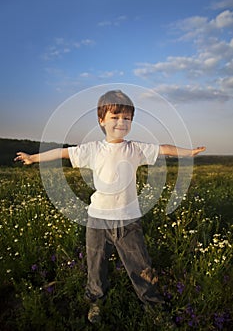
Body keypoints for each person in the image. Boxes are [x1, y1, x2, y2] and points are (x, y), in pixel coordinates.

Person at [15, 90, 206, 326]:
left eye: (126, 118)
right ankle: (95, 301)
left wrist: (189, 152)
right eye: (115, 117)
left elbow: (164, 149)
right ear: (101, 120)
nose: (121, 122)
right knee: (96, 264)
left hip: (128, 220)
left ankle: (153, 305)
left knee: (140, 265)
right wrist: (33, 158)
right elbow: (62, 153)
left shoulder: (135, 149)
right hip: (96, 220)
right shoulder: (92, 149)